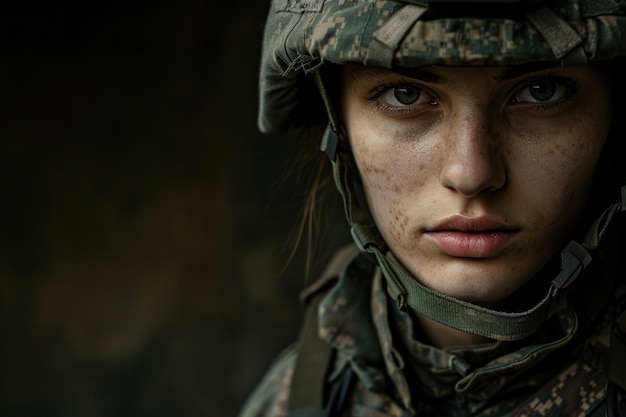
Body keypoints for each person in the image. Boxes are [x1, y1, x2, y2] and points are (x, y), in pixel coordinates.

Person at [241, 0, 626, 416]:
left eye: (540, 91)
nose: (471, 174)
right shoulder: (296, 397)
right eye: (405, 95)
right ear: (341, 126)